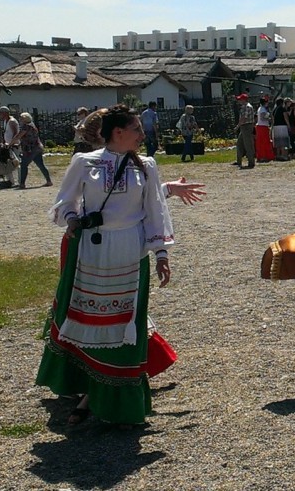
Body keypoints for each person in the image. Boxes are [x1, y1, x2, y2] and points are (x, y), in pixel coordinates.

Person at [36, 104, 174, 426]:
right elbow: (64, 202)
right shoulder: (85, 162)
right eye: (137, 129)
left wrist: (162, 255)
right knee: (91, 322)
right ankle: (88, 391)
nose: (143, 134)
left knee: (125, 327)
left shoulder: (147, 166)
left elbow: (155, 210)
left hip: (130, 251)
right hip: (92, 252)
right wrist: (73, 220)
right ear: (118, 133)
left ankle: (117, 405)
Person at [10, 112, 52, 189]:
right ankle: (49, 181)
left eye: (21, 118)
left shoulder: (26, 127)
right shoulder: (32, 125)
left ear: (25, 119)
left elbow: (18, 136)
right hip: (37, 148)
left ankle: (22, 184)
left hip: (30, 149)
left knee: (24, 165)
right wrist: (18, 145)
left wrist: (10, 144)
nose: (20, 120)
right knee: (41, 165)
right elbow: (28, 138)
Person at [235, 93, 256, 169]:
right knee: (239, 143)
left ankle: (251, 162)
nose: (239, 101)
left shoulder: (247, 107)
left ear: (243, 99)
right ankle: (238, 161)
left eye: (240, 99)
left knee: (248, 145)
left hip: (246, 126)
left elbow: (244, 118)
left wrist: (237, 126)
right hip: (244, 126)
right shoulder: (244, 107)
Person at [255, 98, 275, 162]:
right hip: (262, 126)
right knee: (264, 141)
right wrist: (269, 119)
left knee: (262, 141)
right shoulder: (263, 109)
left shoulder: (260, 109)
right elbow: (262, 118)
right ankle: (264, 156)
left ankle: (263, 155)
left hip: (261, 126)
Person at [271, 97, 290, 162]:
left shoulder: (274, 110)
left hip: (276, 126)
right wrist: (288, 125)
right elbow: (285, 117)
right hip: (282, 126)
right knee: (283, 141)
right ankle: (283, 155)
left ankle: (278, 155)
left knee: (277, 141)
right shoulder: (282, 109)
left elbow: (273, 119)